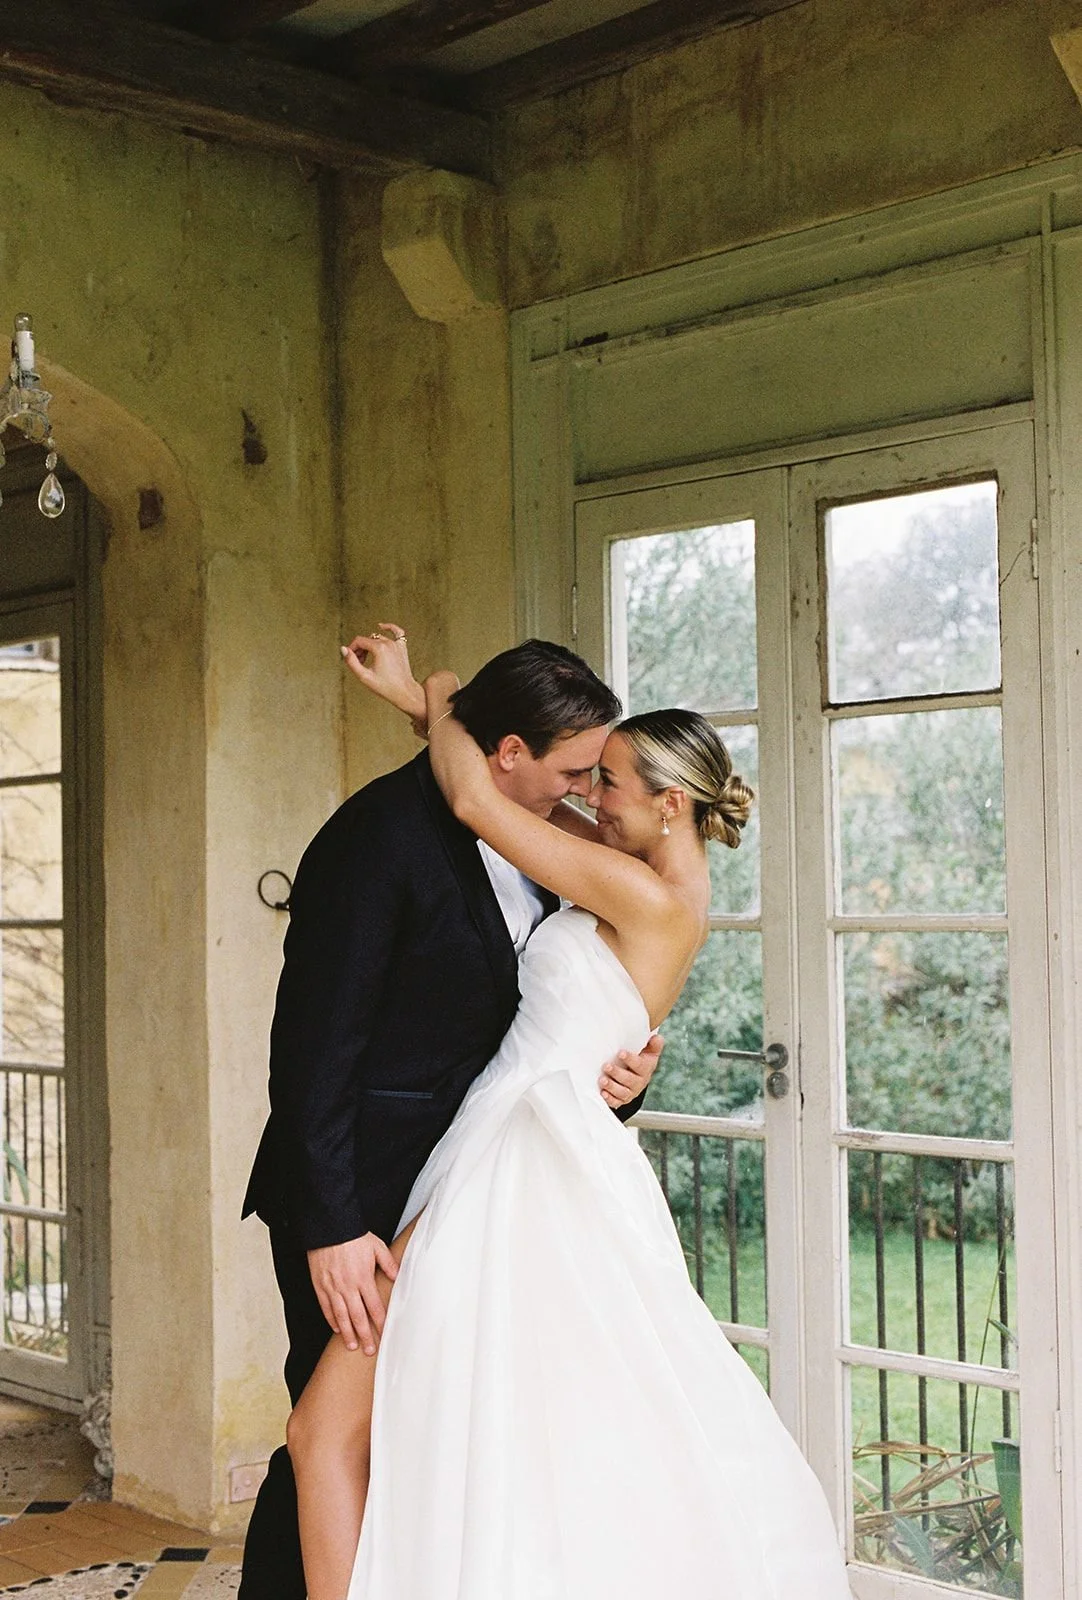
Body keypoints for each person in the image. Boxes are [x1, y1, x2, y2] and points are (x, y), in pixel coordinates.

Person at [286, 638, 853, 1600]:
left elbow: (476, 797)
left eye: (612, 781)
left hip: (517, 1167)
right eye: (586, 775)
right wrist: (423, 705)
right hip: (517, 1148)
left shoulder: (638, 890)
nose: (592, 796)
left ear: (671, 804)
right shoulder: (634, 868)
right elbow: (503, 781)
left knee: (345, 1433)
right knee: (483, 1439)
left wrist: (438, 695)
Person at [239, 631, 664, 1600]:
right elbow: (312, 1050)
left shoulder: (542, 841)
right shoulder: (375, 838)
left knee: (434, 1443)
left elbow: (549, 1019)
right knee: (333, 1436)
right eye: (569, 768)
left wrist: (623, 1077)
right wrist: (335, 1223)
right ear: (505, 752)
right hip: (369, 1201)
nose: (581, 790)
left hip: (481, 1198)